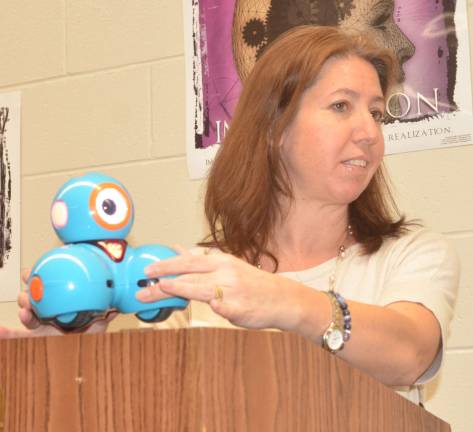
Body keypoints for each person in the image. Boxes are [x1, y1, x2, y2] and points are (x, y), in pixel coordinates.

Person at [6, 26, 458, 406]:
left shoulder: (412, 255)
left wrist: (281, 301)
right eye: (342, 106)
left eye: (376, 113)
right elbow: (142, 402)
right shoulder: (201, 278)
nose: (369, 132)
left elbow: (410, 353)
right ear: (274, 129)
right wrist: (69, 351)